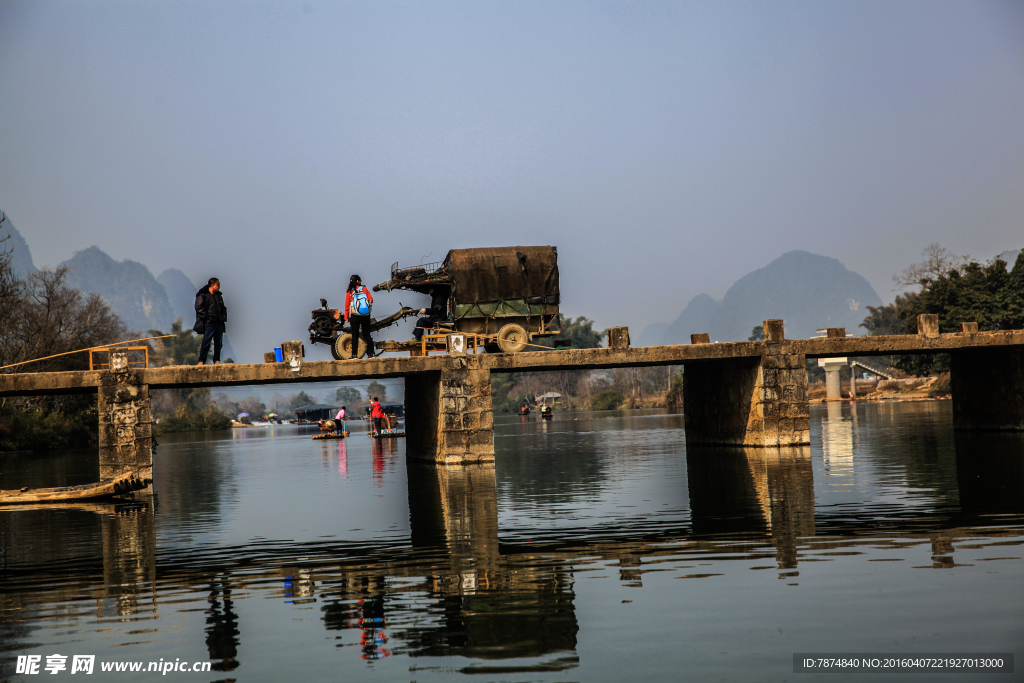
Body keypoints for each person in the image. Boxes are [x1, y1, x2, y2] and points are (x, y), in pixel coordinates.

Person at [194, 277, 227, 365]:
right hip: (209, 322)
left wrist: (223, 318)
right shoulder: (203, 295)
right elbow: (199, 308)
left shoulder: (219, 296)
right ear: (212, 285)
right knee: (206, 341)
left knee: (218, 342)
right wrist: (207, 318)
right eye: (218, 284)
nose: (219, 286)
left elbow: (223, 308)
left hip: (218, 322)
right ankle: (201, 360)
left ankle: (217, 360)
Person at [344, 274, 377, 359]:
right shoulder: (364, 289)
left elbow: (347, 305)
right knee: (367, 334)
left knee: (355, 335)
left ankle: (354, 355)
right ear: (358, 281)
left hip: (354, 315)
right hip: (365, 315)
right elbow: (371, 300)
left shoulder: (349, 292)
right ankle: (372, 353)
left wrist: (346, 317)